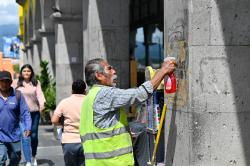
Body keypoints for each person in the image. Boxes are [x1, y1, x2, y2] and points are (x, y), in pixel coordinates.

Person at [79, 58, 176, 165]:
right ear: (99, 75)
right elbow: (139, 94)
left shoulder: (88, 98)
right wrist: (163, 71)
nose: (114, 71)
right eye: (109, 69)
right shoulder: (104, 94)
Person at [16, 64, 46, 166]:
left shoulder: (36, 83)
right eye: (24, 71)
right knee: (25, 136)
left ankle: (33, 156)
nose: (26, 73)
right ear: (21, 73)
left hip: (34, 113)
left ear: (31, 72)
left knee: (33, 136)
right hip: (21, 115)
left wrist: (42, 104)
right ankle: (28, 160)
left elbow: (40, 94)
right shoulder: (17, 83)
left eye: (28, 71)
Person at [51, 79, 86, 166]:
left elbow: (54, 120)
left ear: (72, 90)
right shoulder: (89, 101)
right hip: (86, 141)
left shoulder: (64, 102)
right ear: (85, 90)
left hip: (69, 141)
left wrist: (62, 124)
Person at [0, 70, 31, 166]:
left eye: (7, 81)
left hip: (14, 134)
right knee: (1, 159)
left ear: (10, 82)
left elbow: (25, 112)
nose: (4, 84)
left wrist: (28, 127)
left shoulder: (17, 95)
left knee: (16, 158)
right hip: (0, 135)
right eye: (2, 81)